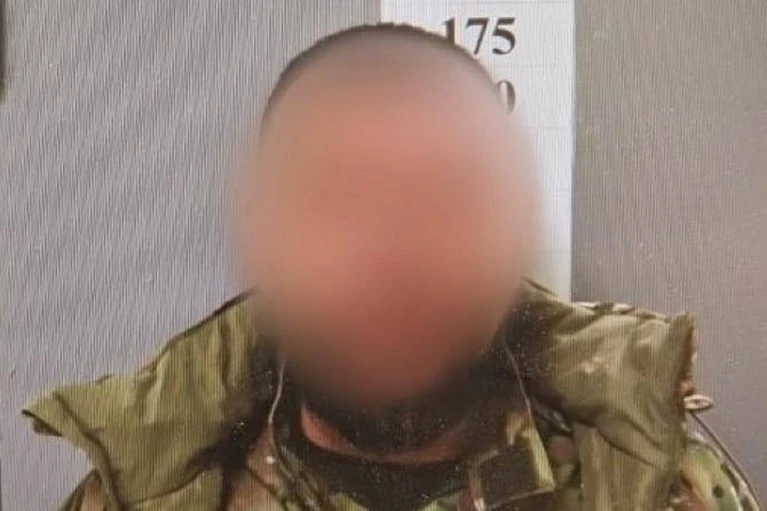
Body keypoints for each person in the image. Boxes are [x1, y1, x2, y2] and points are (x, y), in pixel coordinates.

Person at [25, 24, 759, 511]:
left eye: (446, 196)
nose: (391, 253)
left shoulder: (657, 484)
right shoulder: (138, 493)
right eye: (338, 198)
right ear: (264, 231)